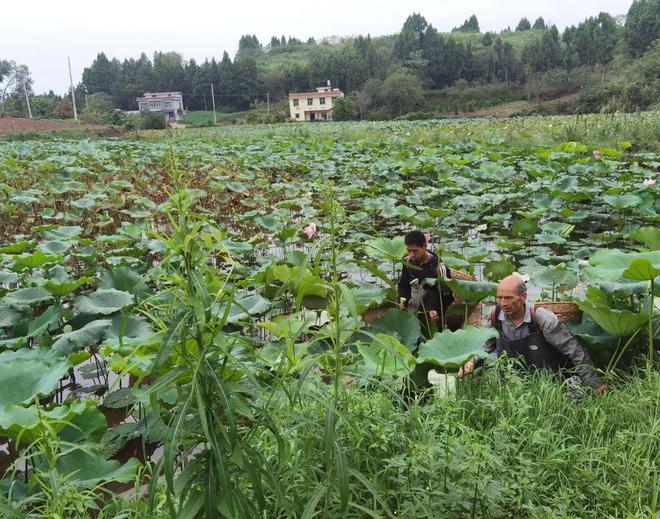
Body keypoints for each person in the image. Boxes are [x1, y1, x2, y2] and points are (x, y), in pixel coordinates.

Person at [459, 275, 607, 394]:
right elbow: (485, 346)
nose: (503, 303)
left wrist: (594, 384)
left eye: (509, 298)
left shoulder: (542, 319)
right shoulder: (494, 316)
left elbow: (575, 351)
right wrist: (471, 362)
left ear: (523, 296)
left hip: (547, 384)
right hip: (511, 383)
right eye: (499, 297)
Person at [397, 230, 453, 334]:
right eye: (409, 250)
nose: (411, 254)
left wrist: (437, 311)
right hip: (413, 307)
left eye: (415, 251)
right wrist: (400, 302)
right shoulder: (407, 262)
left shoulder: (440, 268)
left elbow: (447, 297)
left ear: (425, 246)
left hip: (432, 312)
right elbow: (403, 285)